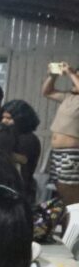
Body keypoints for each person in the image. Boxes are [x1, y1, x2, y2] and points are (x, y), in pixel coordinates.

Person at [42, 63, 79, 205]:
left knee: (70, 188)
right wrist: (53, 75)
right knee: (59, 185)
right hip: (57, 151)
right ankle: (71, 216)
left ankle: (75, 219)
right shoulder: (69, 97)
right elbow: (47, 92)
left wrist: (70, 72)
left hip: (72, 152)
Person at [1, 99, 42, 204]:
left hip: (20, 192)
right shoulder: (10, 136)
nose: (4, 121)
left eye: (9, 118)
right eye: (3, 117)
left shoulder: (28, 139)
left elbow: (23, 161)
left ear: (21, 119)